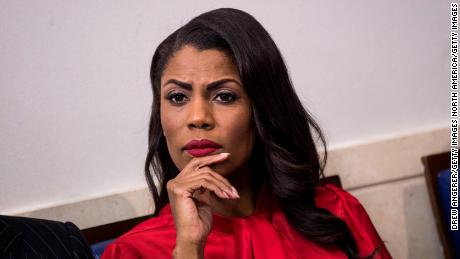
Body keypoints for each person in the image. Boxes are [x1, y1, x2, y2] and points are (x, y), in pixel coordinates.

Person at [102, 8, 392, 259]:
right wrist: (189, 248)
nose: (198, 118)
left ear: (262, 109)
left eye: (225, 96)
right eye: (177, 97)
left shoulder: (337, 211)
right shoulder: (132, 252)